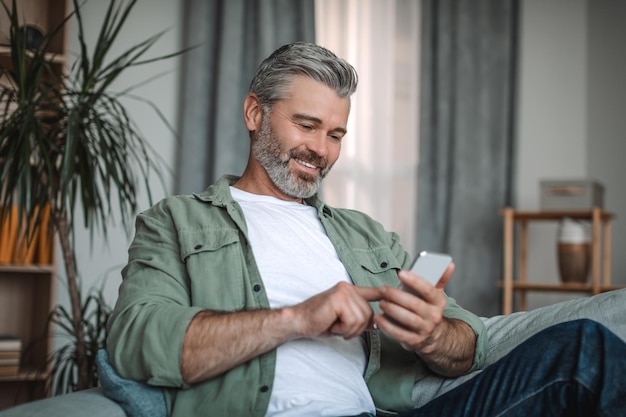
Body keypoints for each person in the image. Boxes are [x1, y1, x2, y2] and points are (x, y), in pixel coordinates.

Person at [106, 42, 626, 417]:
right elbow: (136, 341)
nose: (322, 150)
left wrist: (431, 335)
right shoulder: (176, 220)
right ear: (254, 113)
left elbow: (472, 342)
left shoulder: (365, 235)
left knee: (584, 346)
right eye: (306, 126)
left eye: (336, 134)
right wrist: (296, 318)